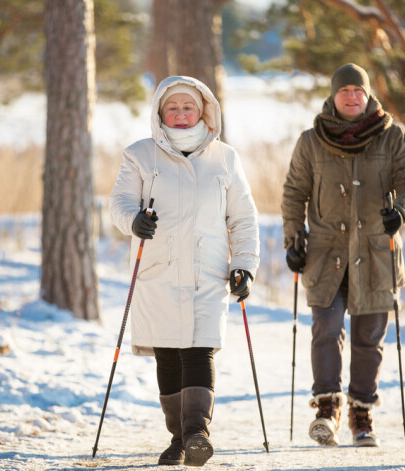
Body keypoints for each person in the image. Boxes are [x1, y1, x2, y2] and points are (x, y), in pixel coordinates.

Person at [109, 76, 260, 467]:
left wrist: (244, 264)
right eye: (172, 108)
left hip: (208, 272)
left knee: (199, 349)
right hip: (158, 270)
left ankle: (197, 433)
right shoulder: (140, 155)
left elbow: (243, 218)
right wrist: (134, 221)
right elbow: (119, 204)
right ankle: (178, 439)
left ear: (203, 111)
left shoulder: (225, 158)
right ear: (160, 113)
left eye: (187, 107)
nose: (180, 114)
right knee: (168, 355)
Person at [281, 63, 405, 448]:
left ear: (367, 95)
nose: (351, 97)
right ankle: (327, 408)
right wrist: (294, 240)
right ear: (333, 96)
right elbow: (294, 192)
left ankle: (362, 412)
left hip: (377, 251)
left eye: (357, 91)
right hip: (325, 255)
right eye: (344, 91)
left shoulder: (391, 138)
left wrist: (401, 212)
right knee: (326, 329)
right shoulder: (311, 140)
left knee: (368, 337)